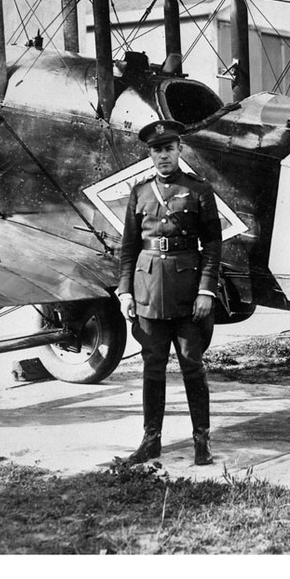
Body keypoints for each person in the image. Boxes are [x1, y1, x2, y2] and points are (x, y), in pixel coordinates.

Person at [116, 119, 222, 465]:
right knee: (152, 368)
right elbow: (129, 247)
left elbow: (213, 245)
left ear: (179, 150)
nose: (163, 156)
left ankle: (201, 442)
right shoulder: (140, 192)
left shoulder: (199, 190)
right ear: (150, 154)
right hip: (147, 293)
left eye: (169, 149)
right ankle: (151, 441)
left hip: (188, 294)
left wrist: (206, 291)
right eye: (157, 150)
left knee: (193, 366)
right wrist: (125, 292)